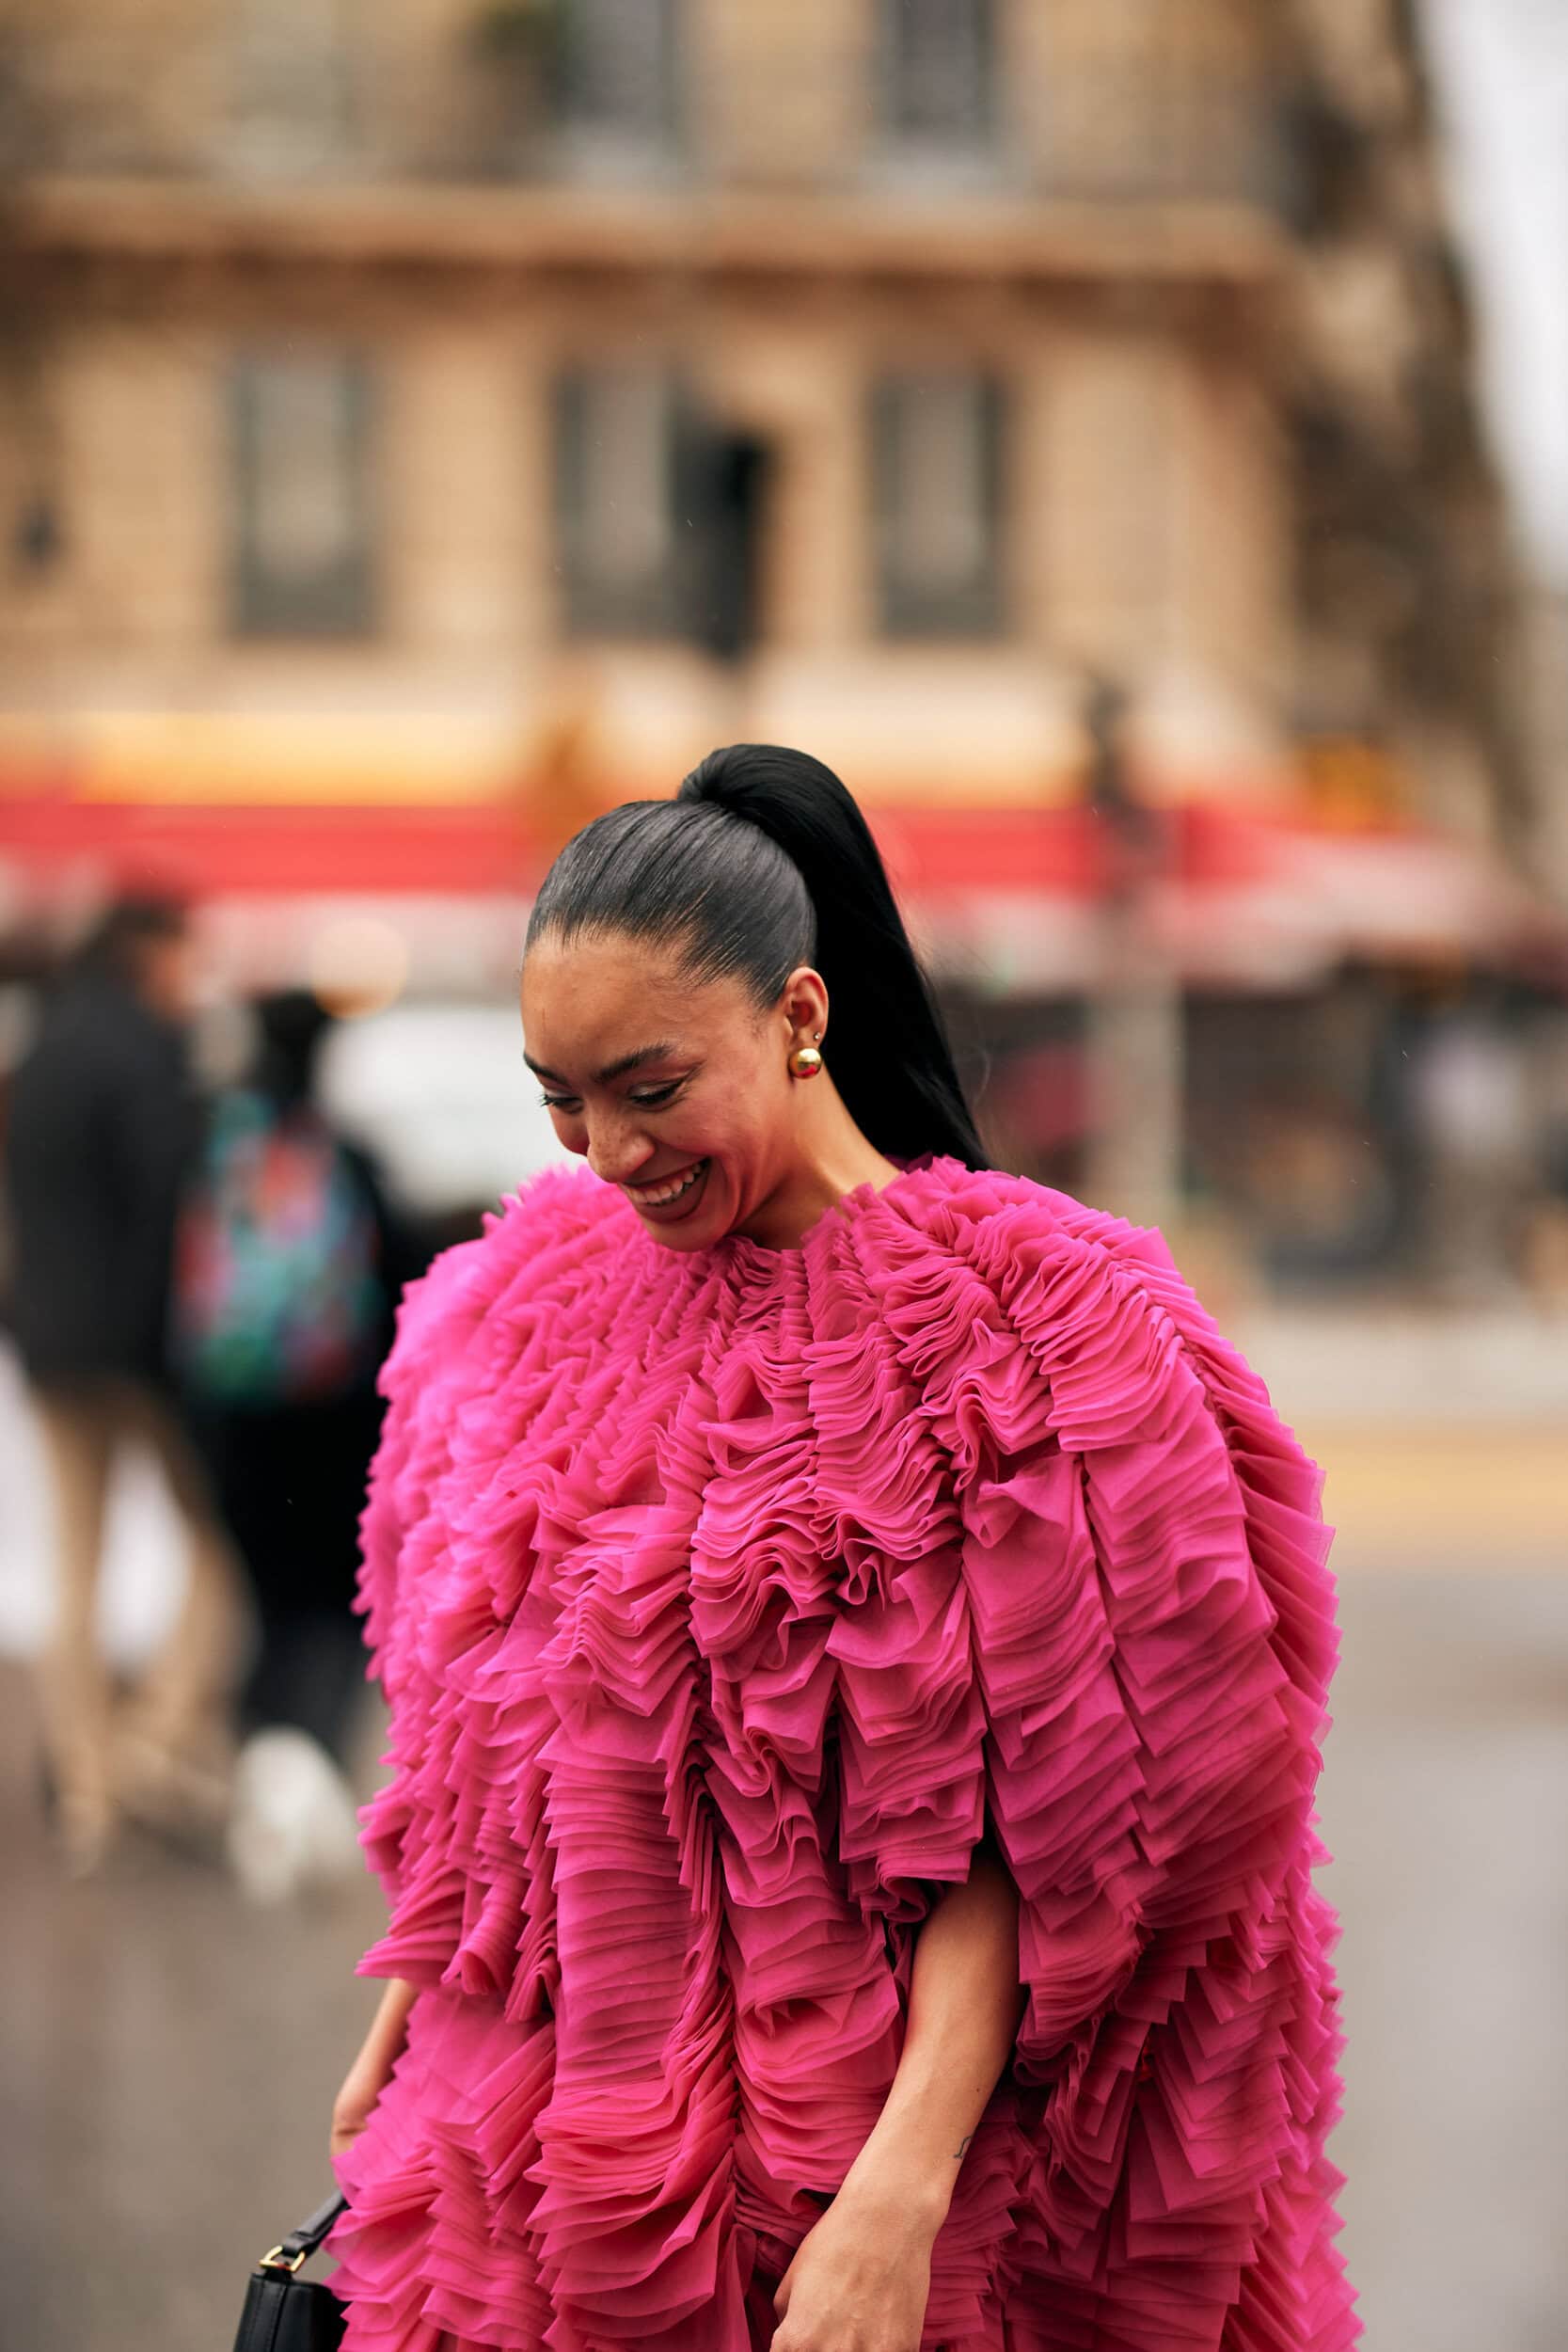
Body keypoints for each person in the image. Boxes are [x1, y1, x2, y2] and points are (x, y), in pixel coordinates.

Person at [326, 748, 1356, 2352]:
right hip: (532, 2145)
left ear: (800, 1015)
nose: (606, 1153)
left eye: (652, 1089)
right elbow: (481, 1734)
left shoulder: (1036, 1325)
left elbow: (1055, 1839)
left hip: (886, 2185)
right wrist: (418, 1997)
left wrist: (901, 2191)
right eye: (562, 1099)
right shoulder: (515, 1304)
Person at [4, 893, 245, 1873]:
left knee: (75, 1558)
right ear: (150, 953)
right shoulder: (147, 1055)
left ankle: (88, 1785)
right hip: (142, 1350)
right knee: (219, 1540)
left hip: (51, 1343)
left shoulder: (39, 1054)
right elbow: (164, 1215)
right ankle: (156, 1736)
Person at [172, 989, 420, 1899]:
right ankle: (301, 1769)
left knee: (266, 1600)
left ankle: (266, 1769)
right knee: (334, 1603)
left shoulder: (212, 1152)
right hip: (331, 1419)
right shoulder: (344, 1157)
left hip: (232, 1417)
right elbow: (403, 1279)